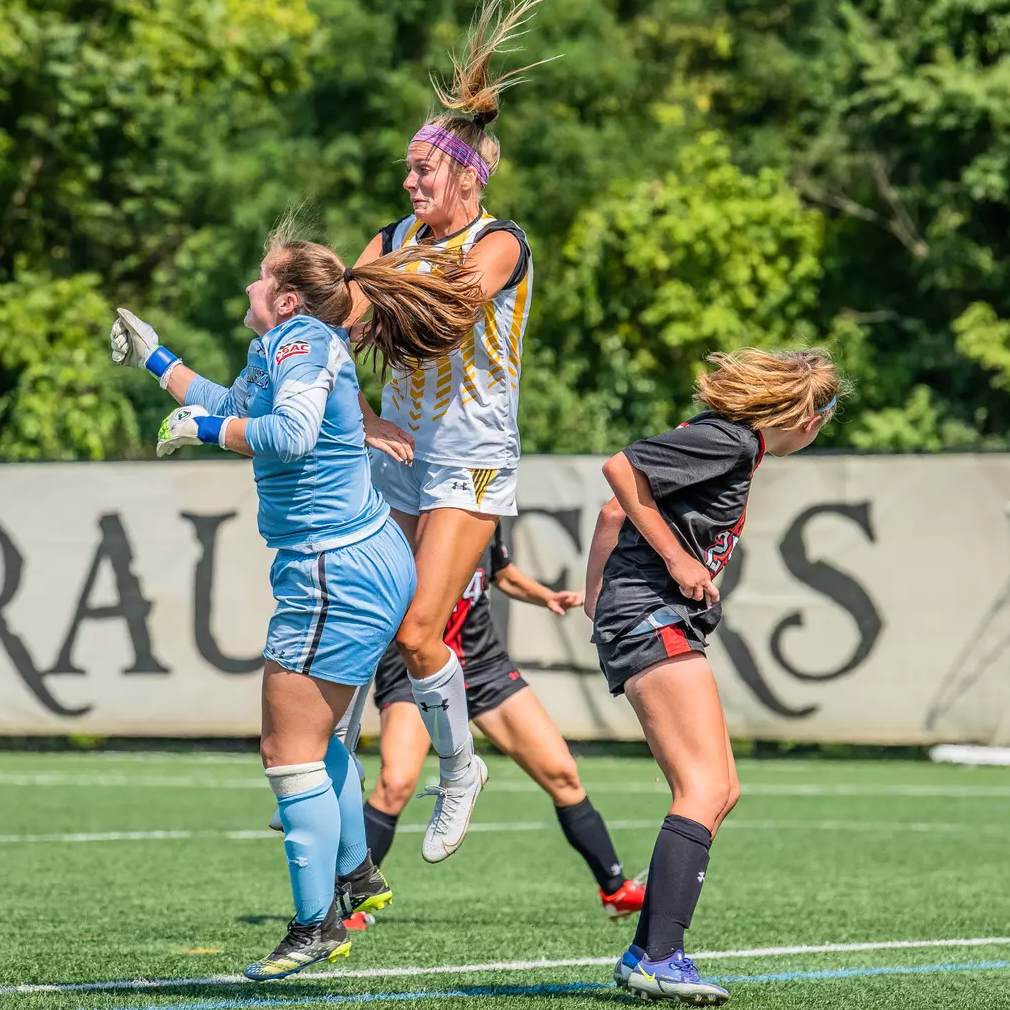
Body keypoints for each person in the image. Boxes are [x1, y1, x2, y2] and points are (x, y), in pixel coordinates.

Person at [112, 217, 486, 980]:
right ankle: (356, 877)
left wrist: (207, 429)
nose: (249, 283)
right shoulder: (283, 345)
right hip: (356, 557)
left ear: (286, 298)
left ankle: (316, 926)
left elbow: (287, 434)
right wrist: (155, 357)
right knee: (325, 744)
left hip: (333, 569)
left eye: (260, 274)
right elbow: (233, 398)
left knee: (288, 754)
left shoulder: (303, 342)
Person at [351, 0, 558, 862]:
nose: (407, 182)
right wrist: (361, 413)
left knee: (418, 630)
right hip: (400, 452)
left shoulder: (498, 242)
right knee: (368, 623)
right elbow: (331, 321)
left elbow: (445, 313)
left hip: (469, 460)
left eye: (422, 169)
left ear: (467, 177)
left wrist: (361, 288)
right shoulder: (398, 234)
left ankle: (461, 765)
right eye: (407, 170)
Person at [589, 348, 847, 1004]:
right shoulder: (727, 441)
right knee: (704, 788)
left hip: (648, 612)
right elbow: (620, 471)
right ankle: (661, 958)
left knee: (718, 788)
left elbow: (617, 511)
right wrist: (675, 562)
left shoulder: (728, 444)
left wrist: (601, 598)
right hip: (653, 614)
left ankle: (646, 953)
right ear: (806, 416)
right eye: (827, 413)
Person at [358, 526, 646, 927]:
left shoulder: (479, 509)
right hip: (415, 671)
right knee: (395, 784)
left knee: (563, 774)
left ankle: (614, 890)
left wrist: (546, 597)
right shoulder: (401, 511)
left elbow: (502, 573)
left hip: (482, 665)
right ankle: (353, 903)